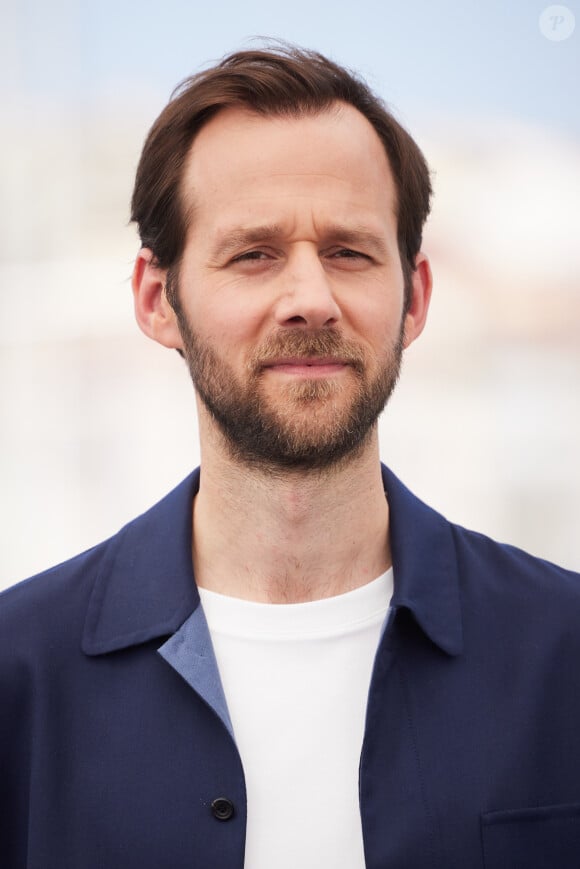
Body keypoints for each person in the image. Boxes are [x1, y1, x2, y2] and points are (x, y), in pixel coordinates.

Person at [1, 43, 580, 869]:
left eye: (349, 251)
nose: (311, 298)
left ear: (413, 297)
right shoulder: (18, 676)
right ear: (158, 300)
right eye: (254, 254)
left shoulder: (564, 652)